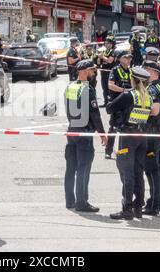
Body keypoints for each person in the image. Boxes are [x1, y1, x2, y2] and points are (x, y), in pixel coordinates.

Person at [107, 67, 159, 220]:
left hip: (128, 137)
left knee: (126, 173)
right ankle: (138, 207)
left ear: (133, 79)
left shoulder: (129, 95)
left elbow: (110, 108)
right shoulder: (148, 97)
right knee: (138, 173)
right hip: (142, 137)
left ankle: (127, 208)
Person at [65, 60, 108, 212]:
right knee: (83, 167)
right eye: (91, 70)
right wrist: (102, 133)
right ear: (83, 71)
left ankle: (70, 200)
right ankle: (82, 202)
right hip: (84, 132)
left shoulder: (70, 86)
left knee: (71, 167)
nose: (94, 73)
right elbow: (95, 114)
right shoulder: (87, 89)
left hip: (72, 130)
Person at [143, 61, 160, 215]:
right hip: (159, 130)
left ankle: (153, 204)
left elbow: (154, 110)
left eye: (146, 70)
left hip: (152, 131)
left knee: (152, 169)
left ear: (152, 72)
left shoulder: (152, 89)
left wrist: (137, 112)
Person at [106, 51, 133, 159]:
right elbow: (110, 86)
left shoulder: (131, 70)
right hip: (116, 102)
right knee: (113, 127)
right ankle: (108, 150)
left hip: (128, 103)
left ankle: (124, 151)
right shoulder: (115, 70)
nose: (128, 60)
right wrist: (124, 90)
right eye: (126, 58)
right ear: (120, 59)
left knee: (126, 127)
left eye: (130, 58)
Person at [99, 36, 117, 107]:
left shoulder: (113, 52)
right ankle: (106, 102)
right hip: (103, 72)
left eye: (109, 43)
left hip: (110, 72)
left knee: (110, 88)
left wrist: (102, 57)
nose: (107, 45)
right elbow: (99, 62)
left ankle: (111, 102)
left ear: (112, 44)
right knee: (104, 88)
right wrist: (99, 57)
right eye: (106, 43)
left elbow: (110, 61)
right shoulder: (104, 51)